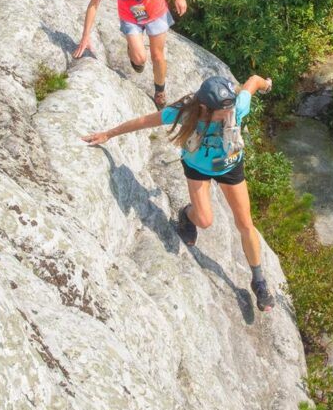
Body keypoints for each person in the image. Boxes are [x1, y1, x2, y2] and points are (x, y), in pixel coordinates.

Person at [81, 74, 277, 312]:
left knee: (245, 223)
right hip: (197, 168)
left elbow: (253, 81)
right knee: (204, 220)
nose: (228, 114)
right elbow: (144, 120)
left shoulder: (235, 107)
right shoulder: (185, 113)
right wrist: (109, 134)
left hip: (230, 166)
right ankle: (187, 214)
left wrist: (266, 84)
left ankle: (258, 280)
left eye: (230, 108)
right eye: (222, 111)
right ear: (204, 108)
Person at [74, 0, 187, 108]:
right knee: (140, 59)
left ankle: (160, 91)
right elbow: (94, 2)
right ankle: (134, 51)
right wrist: (85, 35)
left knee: (157, 56)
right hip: (130, 15)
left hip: (156, 10)